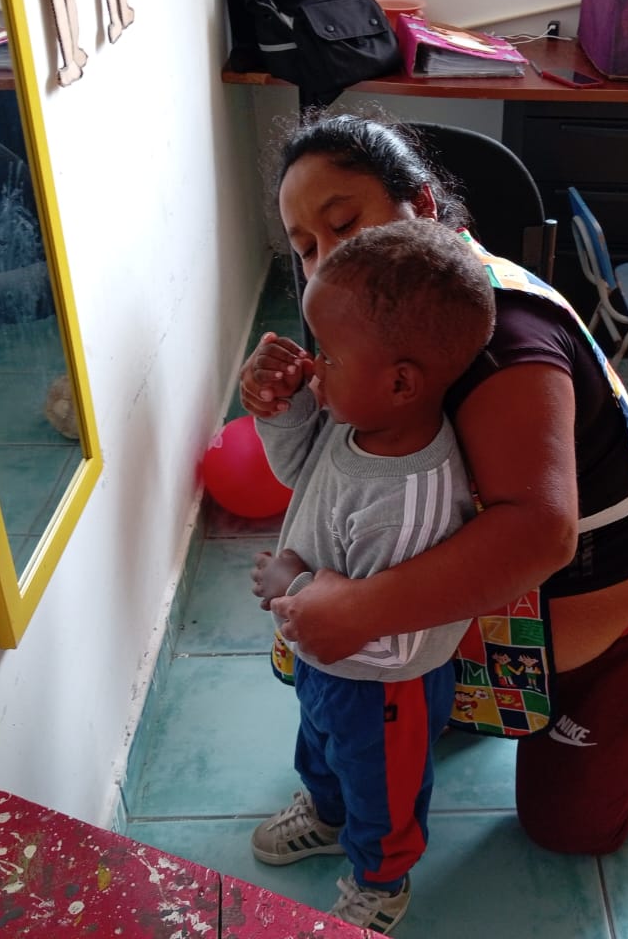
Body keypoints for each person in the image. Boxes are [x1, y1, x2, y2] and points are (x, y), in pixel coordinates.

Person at [239, 112, 628, 860]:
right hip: (505, 621)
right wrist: (284, 406)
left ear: (422, 207)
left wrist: (358, 609)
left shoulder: (507, 341)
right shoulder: (371, 326)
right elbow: (335, 479)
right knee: (396, 712)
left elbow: (537, 534)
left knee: (572, 828)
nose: (328, 259)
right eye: (305, 248)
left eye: (345, 224)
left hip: (622, 624)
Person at [247, 218, 496, 933]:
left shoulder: (409, 502)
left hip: (386, 688)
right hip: (328, 662)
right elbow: (295, 470)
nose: (313, 365)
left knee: (382, 793)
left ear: (400, 381)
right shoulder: (361, 423)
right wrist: (286, 406)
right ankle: (326, 815)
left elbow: (394, 642)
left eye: (327, 356)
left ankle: (381, 884)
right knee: (321, 749)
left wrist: (295, 589)